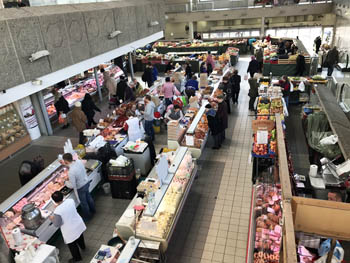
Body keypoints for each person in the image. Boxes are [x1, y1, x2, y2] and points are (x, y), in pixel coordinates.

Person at [50, 191, 86, 263]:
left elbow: (57, 224)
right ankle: (83, 247)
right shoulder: (70, 201)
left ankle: (77, 258)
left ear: (54, 201)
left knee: (72, 245)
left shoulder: (57, 211)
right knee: (79, 236)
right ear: (63, 196)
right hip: (77, 223)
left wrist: (51, 218)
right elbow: (67, 208)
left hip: (69, 229)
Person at [62, 153, 96, 220]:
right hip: (86, 182)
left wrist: (65, 182)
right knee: (89, 197)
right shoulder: (78, 162)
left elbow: (72, 185)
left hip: (81, 187)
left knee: (84, 203)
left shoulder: (71, 171)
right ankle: (93, 210)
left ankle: (87, 216)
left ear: (66, 161)